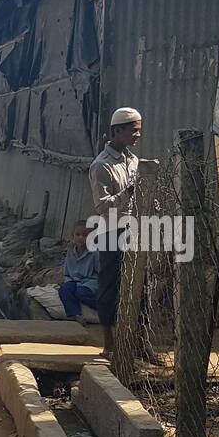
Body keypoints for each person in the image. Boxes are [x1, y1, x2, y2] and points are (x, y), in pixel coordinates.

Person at [89, 107, 142, 358]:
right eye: (133, 130)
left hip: (134, 229)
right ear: (117, 131)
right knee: (110, 286)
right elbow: (101, 206)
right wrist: (128, 193)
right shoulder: (101, 166)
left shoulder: (132, 160)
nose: (137, 135)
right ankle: (109, 344)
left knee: (141, 284)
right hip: (111, 231)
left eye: (139, 130)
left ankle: (141, 344)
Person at [58, 225, 99, 321]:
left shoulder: (95, 252)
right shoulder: (70, 251)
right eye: (77, 234)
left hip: (90, 282)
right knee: (64, 290)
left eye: (85, 235)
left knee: (80, 293)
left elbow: (100, 272)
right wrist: (68, 283)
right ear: (73, 236)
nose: (81, 238)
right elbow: (67, 273)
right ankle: (76, 314)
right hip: (74, 280)